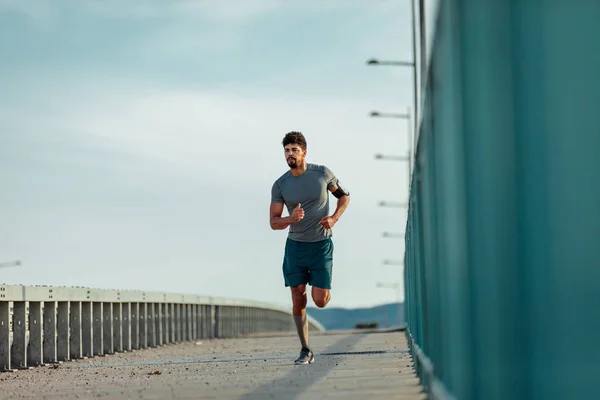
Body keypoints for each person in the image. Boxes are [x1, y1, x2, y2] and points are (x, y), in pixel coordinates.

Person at [269, 131, 350, 365]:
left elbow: (344, 198)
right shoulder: (280, 185)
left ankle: (323, 285)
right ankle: (305, 349)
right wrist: (290, 219)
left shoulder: (322, 174)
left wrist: (334, 218)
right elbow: (274, 222)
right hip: (295, 247)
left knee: (321, 300)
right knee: (297, 296)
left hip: (321, 245)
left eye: (294, 150)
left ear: (304, 151)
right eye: (286, 150)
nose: (289, 154)